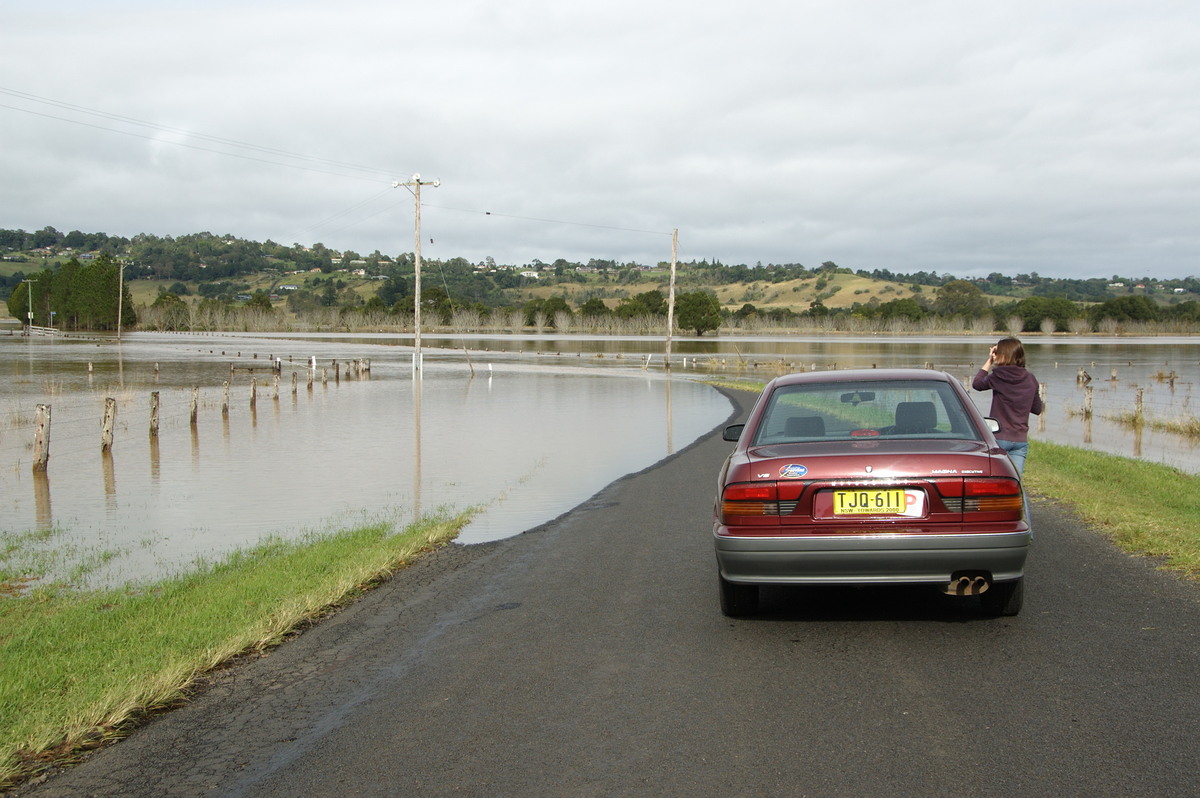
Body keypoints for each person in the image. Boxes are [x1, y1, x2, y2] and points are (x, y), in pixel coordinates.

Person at [972, 337, 1043, 477]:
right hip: (1020, 440)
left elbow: (977, 384)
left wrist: (989, 361)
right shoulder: (1030, 378)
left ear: (1003, 355)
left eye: (997, 351)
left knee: (996, 481)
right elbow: (1037, 409)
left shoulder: (998, 376)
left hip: (999, 438)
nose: (994, 353)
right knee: (1015, 483)